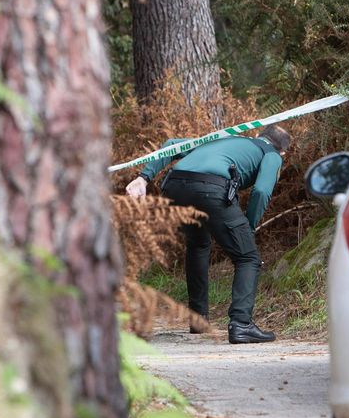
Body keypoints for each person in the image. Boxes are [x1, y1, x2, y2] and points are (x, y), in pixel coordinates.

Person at [125, 126, 291, 344]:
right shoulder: (272, 156)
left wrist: (144, 178)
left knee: (198, 244)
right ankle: (241, 325)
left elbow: (171, 144)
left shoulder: (226, 138)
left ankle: (198, 319)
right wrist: (248, 228)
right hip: (210, 188)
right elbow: (261, 191)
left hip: (175, 186)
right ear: (283, 153)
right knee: (247, 257)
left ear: (257, 135)